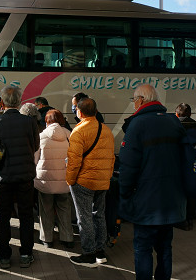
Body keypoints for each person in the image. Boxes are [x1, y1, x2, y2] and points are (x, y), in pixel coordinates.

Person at [118, 85, 186, 279]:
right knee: (165, 248)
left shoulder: (137, 124)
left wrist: (124, 194)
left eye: (134, 100)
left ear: (141, 100)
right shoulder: (173, 121)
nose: (134, 104)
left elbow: (128, 167)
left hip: (146, 202)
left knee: (143, 248)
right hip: (171, 199)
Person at [0, 86, 39, 269]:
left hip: (3, 177)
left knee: (3, 215)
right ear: (20, 101)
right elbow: (36, 146)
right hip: (25, 176)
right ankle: (26, 254)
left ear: (2, 102)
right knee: (26, 216)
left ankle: (4, 255)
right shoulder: (29, 122)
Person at [66, 97, 115, 267]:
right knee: (99, 215)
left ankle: (89, 254)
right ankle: (100, 251)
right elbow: (111, 158)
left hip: (84, 181)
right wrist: (107, 176)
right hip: (102, 181)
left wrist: (70, 180)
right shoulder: (106, 130)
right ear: (96, 111)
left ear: (79, 112)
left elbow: (74, 161)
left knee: (84, 217)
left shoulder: (78, 131)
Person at [34, 109, 74, 249]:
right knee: (65, 208)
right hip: (64, 179)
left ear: (47, 121)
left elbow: (35, 159)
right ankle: (67, 238)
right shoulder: (69, 135)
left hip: (45, 180)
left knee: (46, 209)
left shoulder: (41, 136)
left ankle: (47, 239)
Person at [175, 102, 196, 231]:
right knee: (192, 188)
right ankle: (190, 219)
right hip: (194, 164)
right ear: (190, 114)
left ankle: (181, 220)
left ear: (177, 114)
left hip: (179, 163)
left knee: (180, 191)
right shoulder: (195, 127)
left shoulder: (175, 126)